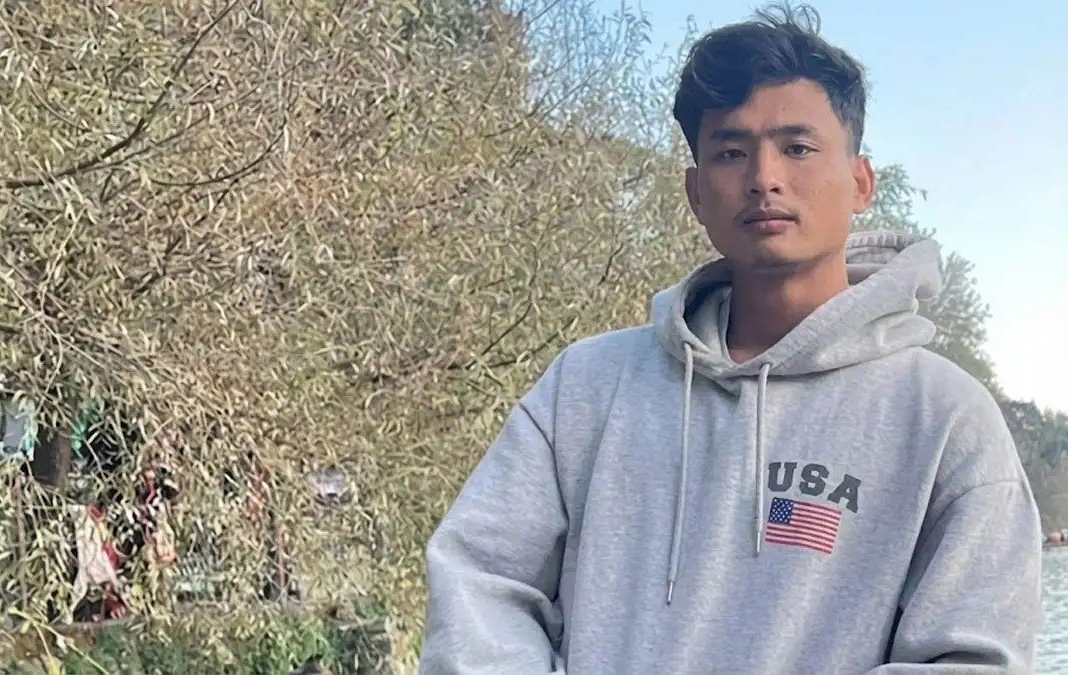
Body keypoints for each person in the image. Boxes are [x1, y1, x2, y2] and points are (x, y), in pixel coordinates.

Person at [419, 5, 1042, 674]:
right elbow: (478, 581)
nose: (764, 177)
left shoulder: (945, 418)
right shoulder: (585, 389)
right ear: (696, 191)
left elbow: (972, 657)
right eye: (730, 152)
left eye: (797, 148)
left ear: (861, 182)